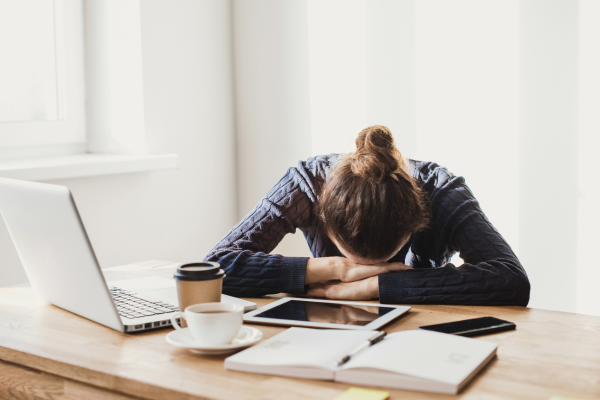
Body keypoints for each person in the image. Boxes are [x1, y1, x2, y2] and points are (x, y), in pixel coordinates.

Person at [204, 125, 530, 306]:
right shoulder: (306, 183)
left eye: (379, 262)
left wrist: (376, 286)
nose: (365, 270)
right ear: (323, 214)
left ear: (419, 217)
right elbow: (214, 267)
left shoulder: (440, 190)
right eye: (357, 261)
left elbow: (510, 279)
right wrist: (336, 269)